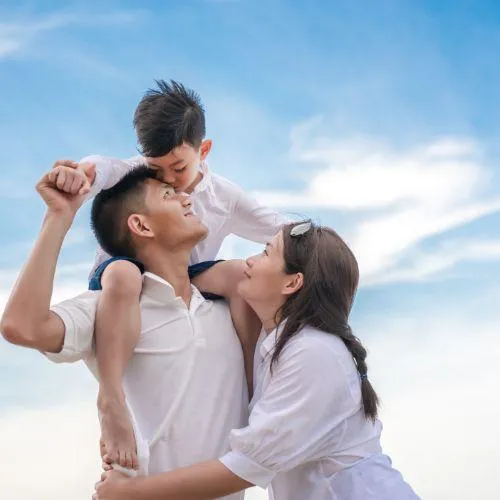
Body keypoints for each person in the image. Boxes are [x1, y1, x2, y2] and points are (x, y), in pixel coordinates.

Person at [49, 79, 288, 470]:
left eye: (178, 168)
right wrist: (79, 173)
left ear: (203, 150)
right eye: (157, 170)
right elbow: (103, 167)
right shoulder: (141, 173)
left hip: (187, 276)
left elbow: (273, 225)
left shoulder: (224, 196)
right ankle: (110, 398)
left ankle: (251, 390)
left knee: (237, 276)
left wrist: (315, 239)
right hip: (123, 271)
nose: (169, 181)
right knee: (126, 274)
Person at [92, 221, 421, 500]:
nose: (249, 260)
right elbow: (201, 277)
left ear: (292, 282)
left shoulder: (314, 353)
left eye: (266, 252)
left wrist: (131, 492)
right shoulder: (277, 341)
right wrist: (131, 275)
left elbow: (246, 466)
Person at [1, 163, 258, 500]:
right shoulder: (110, 309)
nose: (186, 199)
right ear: (140, 224)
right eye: (169, 195)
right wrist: (59, 216)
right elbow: (21, 326)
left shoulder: (228, 308)